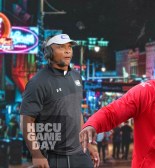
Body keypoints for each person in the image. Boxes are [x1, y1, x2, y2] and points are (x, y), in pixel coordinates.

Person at [20, 34, 99, 168]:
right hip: (54, 155)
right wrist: (37, 154)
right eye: (61, 47)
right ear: (49, 52)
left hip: (80, 152)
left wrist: (87, 143)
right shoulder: (37, 83)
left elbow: (76, 111)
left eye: (69, 47)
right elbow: (27, 120)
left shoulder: (76, 76)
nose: (68, 50)